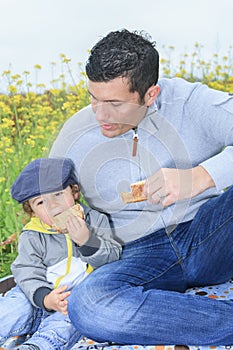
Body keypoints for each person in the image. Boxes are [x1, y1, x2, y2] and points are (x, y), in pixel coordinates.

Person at [49, 29, 233, 346]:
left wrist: (201, 176)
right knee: (88, 305)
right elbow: (50, 198)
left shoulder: (190, 102)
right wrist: (61, 212)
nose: (100, 114)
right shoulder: (75, 136)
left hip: (208, 234)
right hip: (134, 255)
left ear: (151, 94)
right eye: (93, 98)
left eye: (114, 103)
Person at [0, 157, 121, 350]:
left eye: (57, 194)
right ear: (32, 211)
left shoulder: (96, 220)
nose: (53, 206)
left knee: (71, 321)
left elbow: (113, 258)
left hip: (73, 300)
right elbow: (26, 271)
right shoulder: (33, 234)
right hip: (36, 297)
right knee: (12, 309)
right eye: (40, 202)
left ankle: (37, 346)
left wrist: (86, 241)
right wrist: (44, 298)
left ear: (74, 192)